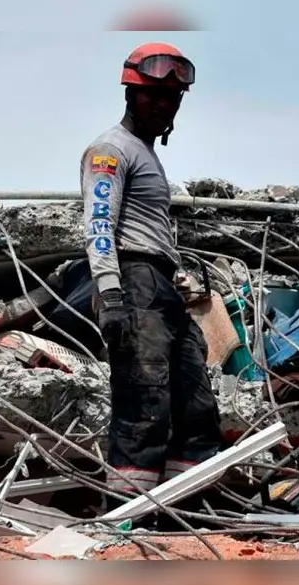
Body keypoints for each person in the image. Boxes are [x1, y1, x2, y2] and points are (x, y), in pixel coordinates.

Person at [80, 42, 222, 509]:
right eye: (154, 96)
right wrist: (111, 295)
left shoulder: (145, 153)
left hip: (161, 285)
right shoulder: (110, 150)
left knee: (196, 406)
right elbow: (99, 224)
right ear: (130, 94)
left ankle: (187, 511)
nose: (164, 105)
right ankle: (129, 517)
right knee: (145, 402)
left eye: (172, 98)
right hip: (133, 281)